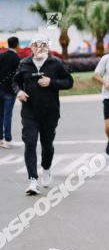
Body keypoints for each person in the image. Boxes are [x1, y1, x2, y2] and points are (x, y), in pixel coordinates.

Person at [12, 36, 73, 195]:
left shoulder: (56, 63)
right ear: (31, 47)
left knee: (47, 144)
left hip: (50, 112)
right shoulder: (24, 63)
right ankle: (33, 180)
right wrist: (19, 92)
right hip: (29, 111)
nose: (39, 48)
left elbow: (69, 82)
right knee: (30, 142)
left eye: (42, 45)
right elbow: (15, 82)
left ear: (47, 47)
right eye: (36, 45)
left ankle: (46, 168)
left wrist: (51, 82)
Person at [0, 36, 20, 148]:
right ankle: (8, 139)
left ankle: (0, 139)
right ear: (17, 45)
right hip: (9, 91)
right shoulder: (16, 58)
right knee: (8, 115)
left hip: (0, 90)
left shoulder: (1, 56)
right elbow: (18, 76)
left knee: (1, 115)